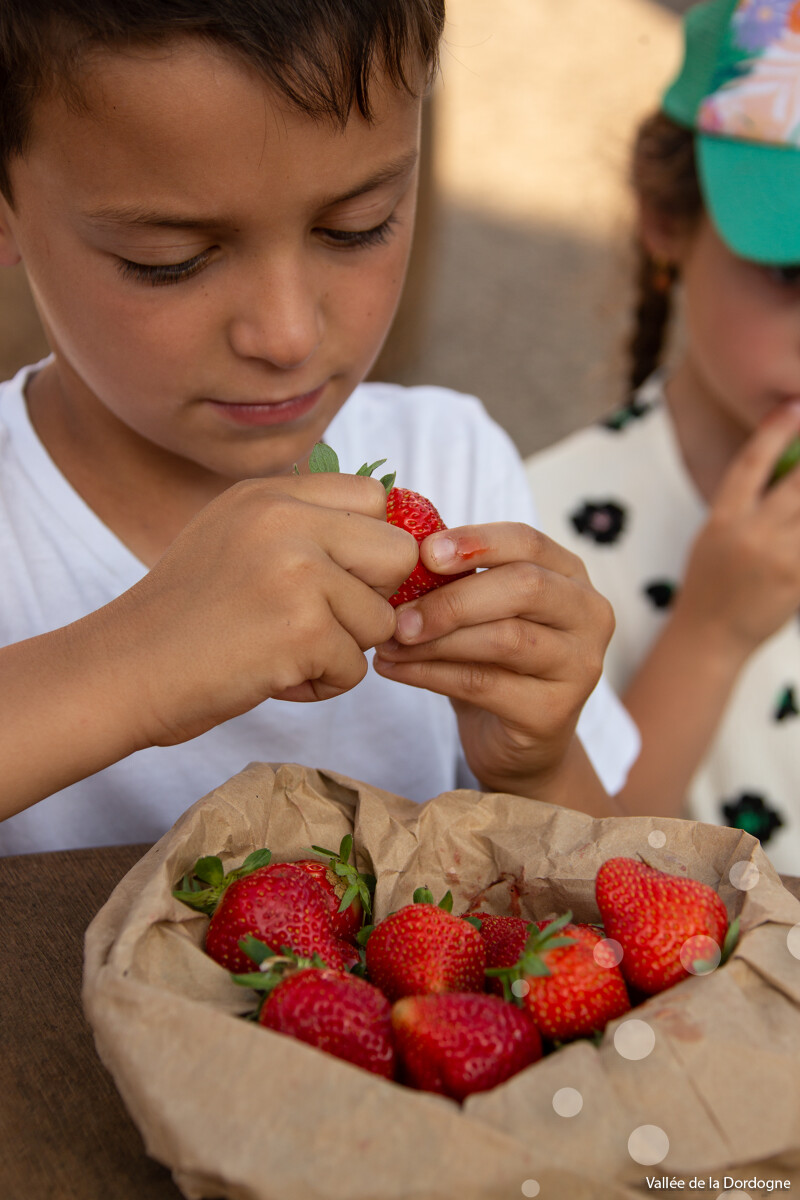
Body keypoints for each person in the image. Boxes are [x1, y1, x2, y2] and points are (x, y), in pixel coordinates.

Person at [0, 0, 639, 854]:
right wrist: (131, 664)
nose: (287, 334)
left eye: (357, 226)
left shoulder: (452, 459)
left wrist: (537, 766)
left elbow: (621, 900)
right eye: (171, 261)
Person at [526, 0, 800, 873]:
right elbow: (579, 877)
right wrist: (712, 634)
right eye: (791, 272)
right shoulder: (539, 533)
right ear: (665, 219)